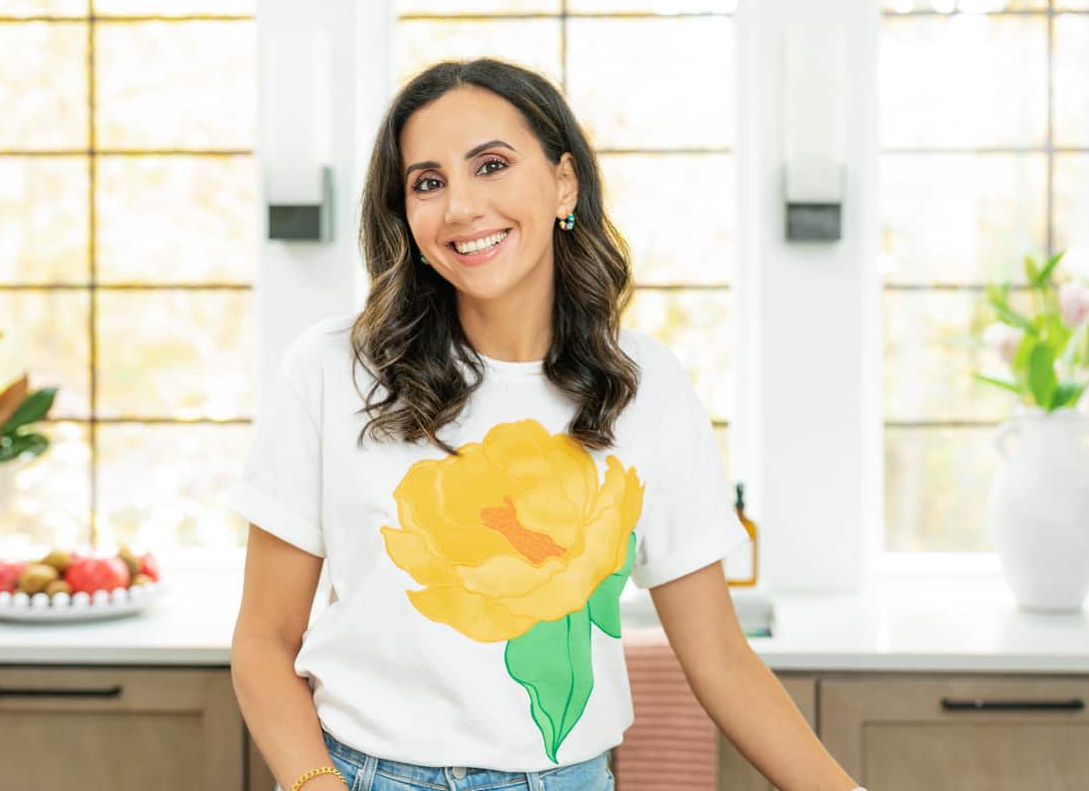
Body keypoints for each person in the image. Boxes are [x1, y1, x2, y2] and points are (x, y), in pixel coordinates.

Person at [228, 57, 866, 791]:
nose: (461, 207)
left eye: (491, 166)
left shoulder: (646, 385)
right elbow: (264, 641)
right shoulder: (333, 370)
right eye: (428, 182)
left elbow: (720, 657)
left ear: (564, 182)